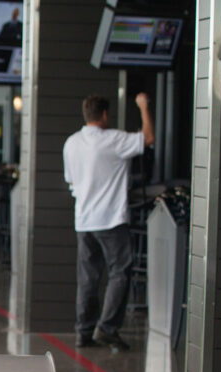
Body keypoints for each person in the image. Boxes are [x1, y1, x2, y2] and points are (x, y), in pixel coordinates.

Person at [63, 93, 154, 350]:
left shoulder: (71, 143)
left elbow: (71, 181)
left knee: (88, 278)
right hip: (111, 219)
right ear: (104, 115)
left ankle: (84, 331)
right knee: (120, 271)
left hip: (84, 220)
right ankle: (107, 328)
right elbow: (148, 138)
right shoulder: (113, 139)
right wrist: (144, 106)